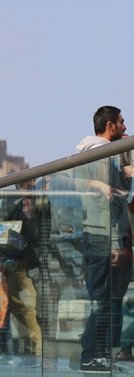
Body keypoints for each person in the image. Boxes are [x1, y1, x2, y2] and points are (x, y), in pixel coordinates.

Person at [71, 106, 132, 373]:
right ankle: (90, 356)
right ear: (110, 126)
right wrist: (115, 243)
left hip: (97, 235)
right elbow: (108, 205)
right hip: (101, 236)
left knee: (105, 299)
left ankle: (98, 356)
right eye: (121, 122)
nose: (125, 127)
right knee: (103, 300)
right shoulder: (102, 156)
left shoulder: (94, 154)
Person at [0, 179, 45, 368]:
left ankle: (36, 347)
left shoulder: (40, 199)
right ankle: (33, 348)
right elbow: (2, 225)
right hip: (14, 259)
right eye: (23, 182)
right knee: (17, 305)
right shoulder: (11, 201)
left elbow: (40, 233)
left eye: (31, 181)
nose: (28, 184)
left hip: (31, 260)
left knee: (28, 305)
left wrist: (31, 216)